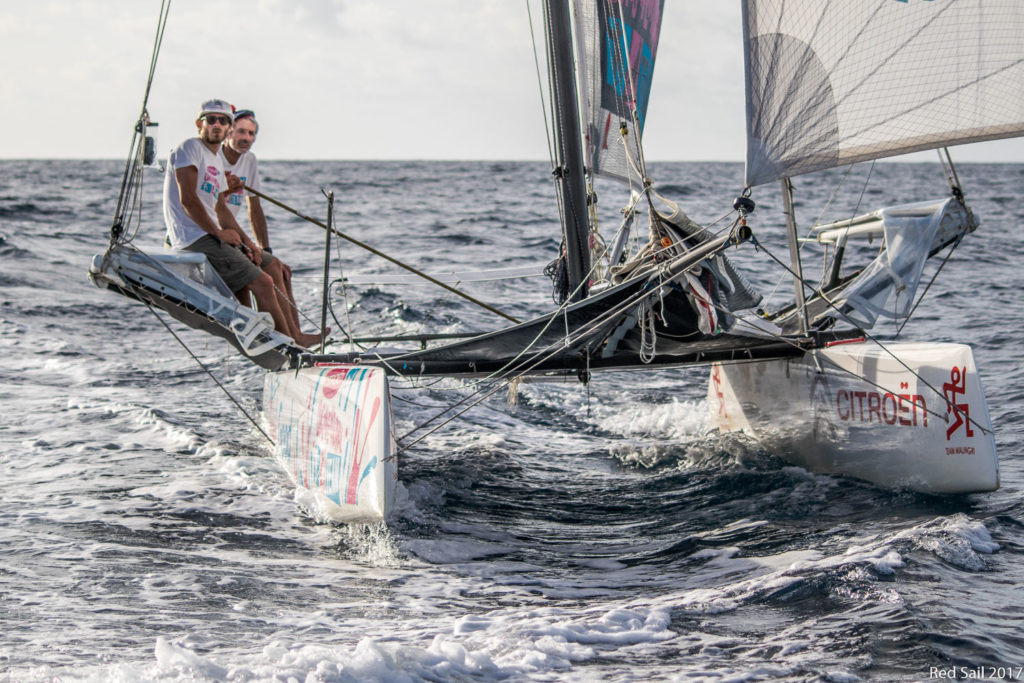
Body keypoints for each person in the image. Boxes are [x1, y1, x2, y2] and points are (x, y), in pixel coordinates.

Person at [163, 99, 320, 348]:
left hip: (212, 234)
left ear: (228, 127)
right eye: (211, 119)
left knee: (272, 266)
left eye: (223, 120)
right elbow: (189, 201)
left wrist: (251, 244)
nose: (217, 124)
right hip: (193, 237)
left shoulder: (214, 159)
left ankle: (295, 336)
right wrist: (218, 233)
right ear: (199, 124)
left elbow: (221, 209)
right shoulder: (189, 148)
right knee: (263, 282)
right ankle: (286, 346)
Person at [220, 108, 323, 339]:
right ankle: (281, 339)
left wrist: (265, 249)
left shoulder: (249, 160)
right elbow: (207, 204)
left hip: (235, 233)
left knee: (280, 269)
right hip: (219, 233)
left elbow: (254, 208)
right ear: (228, 132)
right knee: (264, 277)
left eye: (251, 134)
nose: (246, 138)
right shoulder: (214, 157)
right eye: (241, 132)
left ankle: (297, 335)